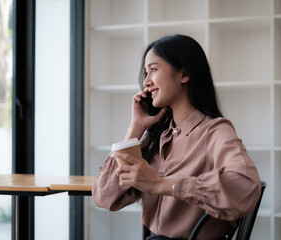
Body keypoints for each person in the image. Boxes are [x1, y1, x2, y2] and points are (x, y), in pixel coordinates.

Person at [92, 34, 261, 240]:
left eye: (153, 70)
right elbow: (104, 197)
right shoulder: (158, 138)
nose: (146, 82)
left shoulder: (215, 131)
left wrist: (161, 184)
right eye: (146, 73)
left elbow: (245, 187)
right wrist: (136, 127)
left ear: (184, 75)